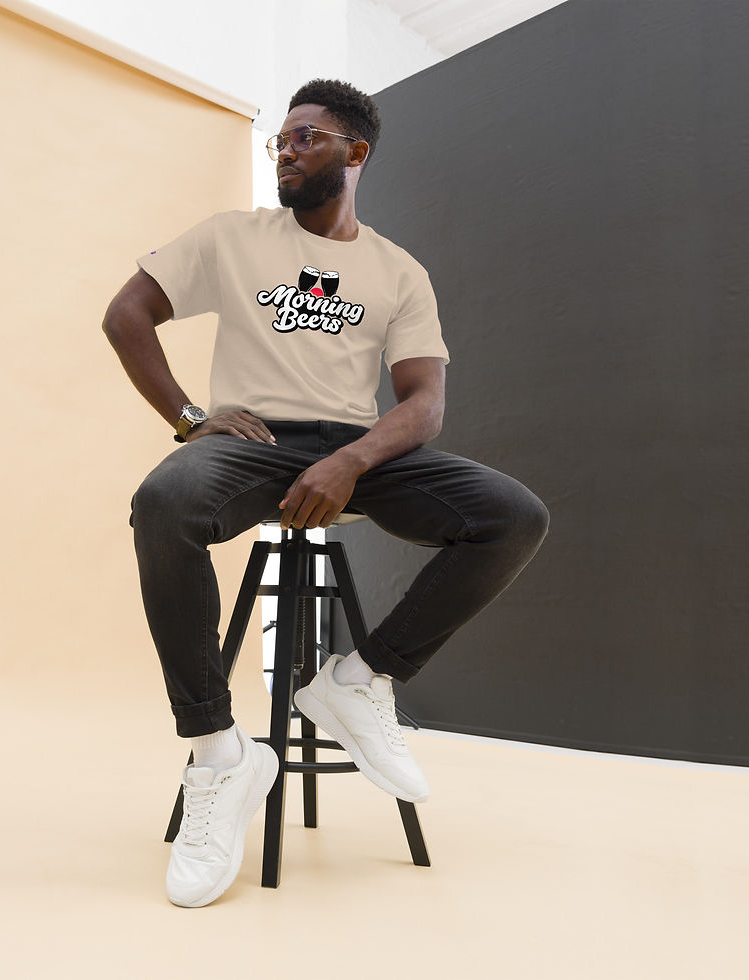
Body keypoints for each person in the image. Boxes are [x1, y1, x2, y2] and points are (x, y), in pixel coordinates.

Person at [103, 79, 549, 908]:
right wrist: (193, 418)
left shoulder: (396, 271)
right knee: (163, 504)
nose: (286, 149)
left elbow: (423, 403)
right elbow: (126, 314)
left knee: (513, 516)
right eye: (280, 138)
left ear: (355, 152)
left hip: (356, 447)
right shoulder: (232, 238)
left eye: (305, 137)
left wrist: (351, 462)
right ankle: (219, 754)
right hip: (253, 444)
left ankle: (358, 680)